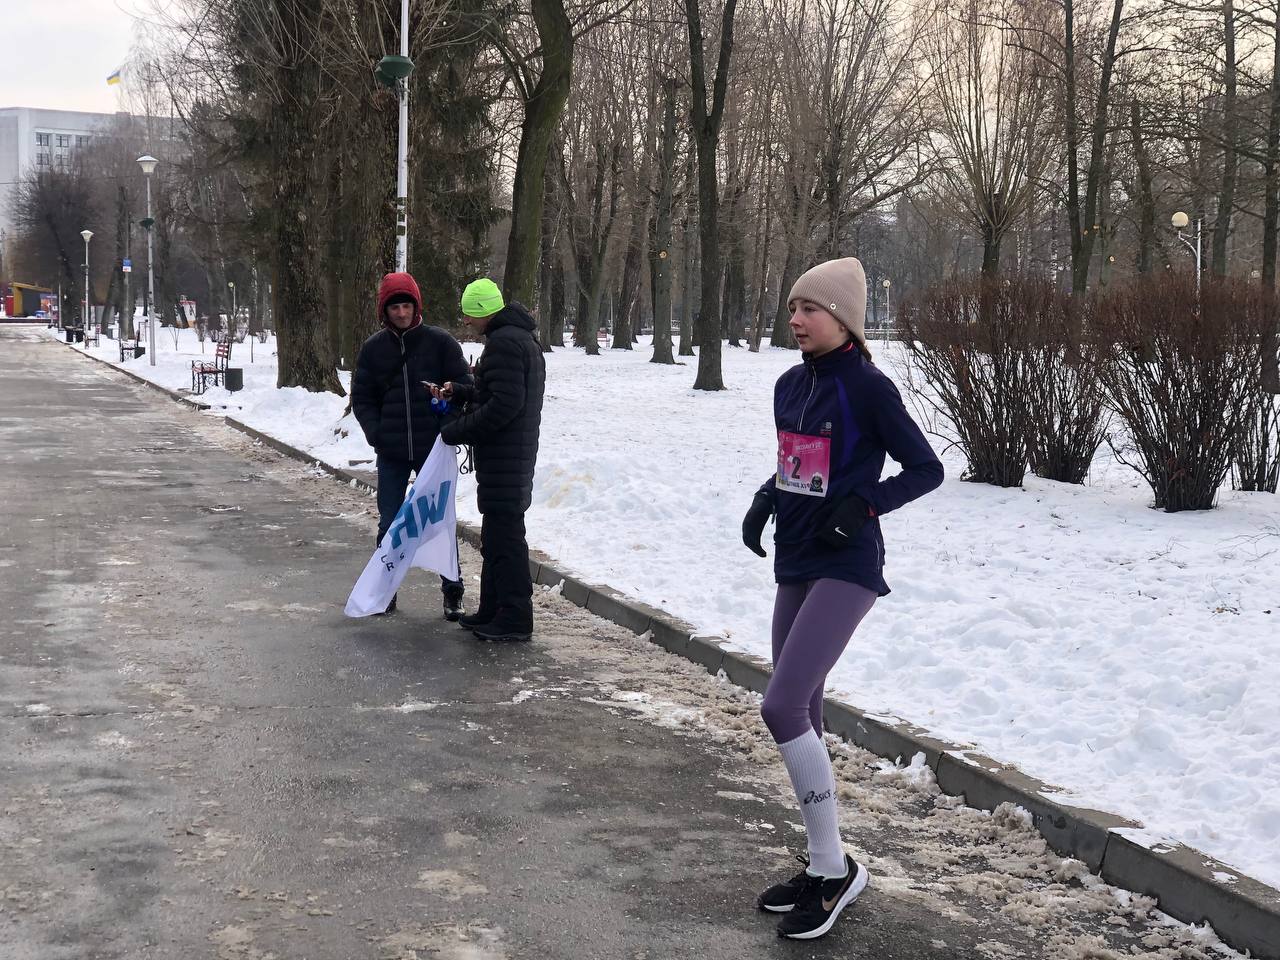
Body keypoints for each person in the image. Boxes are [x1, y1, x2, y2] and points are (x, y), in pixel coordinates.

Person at [742, 257, 943, 940]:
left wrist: (865, 507)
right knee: (807, 712)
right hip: (796, 559)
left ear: (844, 319)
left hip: (847, 565)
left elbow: (927, 468)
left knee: (780, 704)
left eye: (810, 309)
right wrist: (765, 498)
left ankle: (834, 869)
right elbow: (795, 463)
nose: (796, 319)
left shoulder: (868, 389)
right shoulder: (788, 385)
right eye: (793, 307)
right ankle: (826, 863)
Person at [351, 271, 470, 618]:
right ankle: (382, 590)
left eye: (406, 306)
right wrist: (376, 433)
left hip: (433, 451)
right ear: (383, 311)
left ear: (416, 306)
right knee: (389, 521)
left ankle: (453, 590)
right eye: (394, 308)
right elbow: (363, 397)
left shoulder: (441, 343)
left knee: (440, 522)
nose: (401, 313)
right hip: (391, 452)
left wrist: (447, 425)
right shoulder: (373, 350)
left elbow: (463, 386)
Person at [434, 278, 545, 642]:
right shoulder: (515, 339)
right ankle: (492, 609)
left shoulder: (505, 345)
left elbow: (504, 406)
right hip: (509, 455)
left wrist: (458, 430)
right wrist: (461, 390)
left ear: (482, 312)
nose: (466, 322)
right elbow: (497, 392)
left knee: (507, 541)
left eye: (468, 314)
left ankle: (514, 618)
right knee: (496, 539)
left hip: (506, 458)